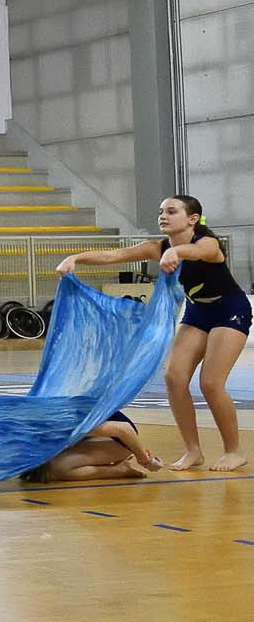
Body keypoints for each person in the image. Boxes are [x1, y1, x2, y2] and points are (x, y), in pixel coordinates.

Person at [58, 194, 246, 470]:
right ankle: (193, 450)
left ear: (192, 219)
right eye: (161, 212)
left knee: (210, 383)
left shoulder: (207, 242)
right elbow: (115, 255)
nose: (163, 216)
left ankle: (233, 451)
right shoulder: (158, 247)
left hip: (229, 309)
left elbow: (198, 252)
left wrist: (177, 252)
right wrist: (75, 258)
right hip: (197, 312)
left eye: (171, 211)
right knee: (174, 377)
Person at [28, 412, 162, 483]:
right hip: (96, 433)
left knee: (54, 470)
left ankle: (120, 470)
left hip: (121, 439)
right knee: (45, 470)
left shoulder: (63, 424)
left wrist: (145, 460)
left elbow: (124, 429)